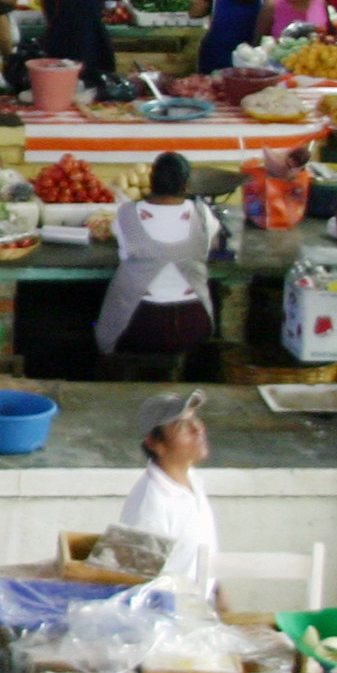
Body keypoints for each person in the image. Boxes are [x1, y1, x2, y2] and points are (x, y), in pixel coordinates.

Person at [94, 152, 218, 359]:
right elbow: (209, 245)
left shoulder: (127, 215)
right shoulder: (203, 214)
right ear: (186, 186)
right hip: (193, 323)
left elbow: (120, 239)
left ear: (151, 183)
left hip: (139, 324)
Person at [113, 391, 218, 581]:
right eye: (183, 426)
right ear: (154, 442)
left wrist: (217, 595)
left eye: (195, 419)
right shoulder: (150, 507)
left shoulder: (191, 477)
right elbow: (135, 583)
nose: (198, 429)